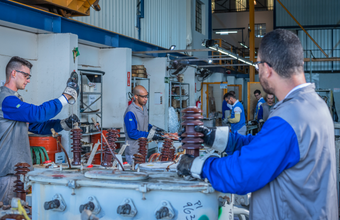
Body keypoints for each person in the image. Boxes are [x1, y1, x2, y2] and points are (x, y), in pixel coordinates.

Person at [177, 29, 338, 219]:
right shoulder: (314, 104)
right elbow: (266, 148)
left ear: (268, 68)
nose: (258, 70)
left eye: (257, 64)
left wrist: (199, 166)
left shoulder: (290, 117)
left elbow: (242, 173)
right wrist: (219, 138)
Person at [0, 56, 80, 205]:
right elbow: (37, 113)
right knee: (9, 214)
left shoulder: (15, 100)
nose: (28, 80)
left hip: (19, 173)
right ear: (13, 73)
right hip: (9, 173)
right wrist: (65, 97)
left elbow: (36, 125)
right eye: (26, 76)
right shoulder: (5, 99)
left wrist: (63, 124)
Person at [124, 85, 164, 165]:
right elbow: (132, 133)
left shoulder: (144, 108)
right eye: (143, 97)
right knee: (135, 174)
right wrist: (150, 135)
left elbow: (143, 123)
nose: (146, 99)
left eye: (146, 96)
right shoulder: (130, 112)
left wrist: (153, 129)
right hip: (134, 152)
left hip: (143, 149)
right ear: (136, 96)